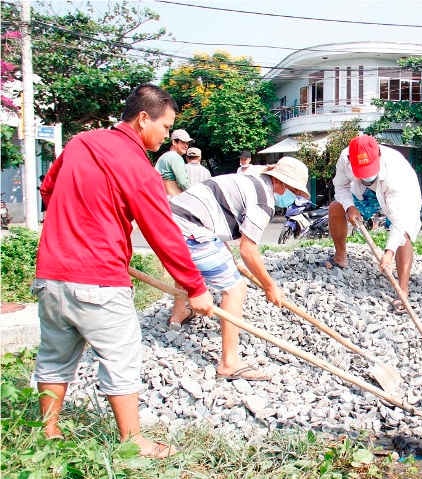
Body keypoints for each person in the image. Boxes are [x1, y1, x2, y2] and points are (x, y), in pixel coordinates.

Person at [33, 84, 215, 458]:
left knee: (54, 356)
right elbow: (162, 233)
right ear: (143, 118)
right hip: (98, 280)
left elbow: (48, 191)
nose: (166, 136)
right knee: (121, 356)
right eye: (165, 128)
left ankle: (47, 432)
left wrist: (80, 220)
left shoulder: (80, 143)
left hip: (51, 274)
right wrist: (195, 287)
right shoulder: (138, 167)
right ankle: (132, 442)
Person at [167, 156, 310, 380]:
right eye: (293, 190)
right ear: (281, 183)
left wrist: (224, 252)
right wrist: (270, 286)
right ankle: (229, 363)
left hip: (171, 220)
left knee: (194, 262)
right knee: (235, 288)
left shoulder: (250, 179)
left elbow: (219, 208)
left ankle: (179, 314)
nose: (291, 196)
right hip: (190, 229)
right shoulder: (264, 200)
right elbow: (248, 250)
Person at [326, 135, 421, 314]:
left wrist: (388, 252)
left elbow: (400, 222)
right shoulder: (344, 158)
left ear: (378, 155)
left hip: (393, 194)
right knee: (335, 207)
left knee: (403, 237)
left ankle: (402, 290)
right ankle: (340, 258)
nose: (367, 177)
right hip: (363, 193)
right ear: (350, 160)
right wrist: (350, 207)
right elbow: (340, 187)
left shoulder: (397, 172)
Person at [155, 128, 193, 195]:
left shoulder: (164, 157)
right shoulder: (175, 157)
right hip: (174, 198)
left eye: (187, 143)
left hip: (163, 197)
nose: (186, 146)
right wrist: (194, 194)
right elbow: (183, 183)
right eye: (183, 142)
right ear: (174, 142)